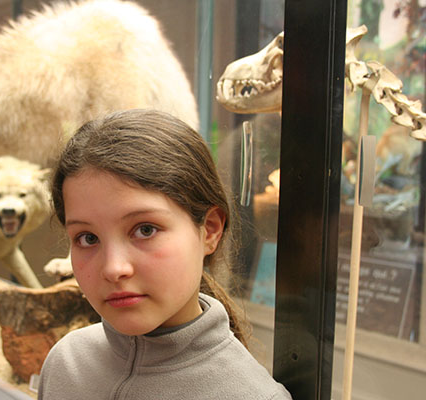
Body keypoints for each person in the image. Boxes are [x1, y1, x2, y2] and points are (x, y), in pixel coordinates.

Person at [37, 109, 292, 399]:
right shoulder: (65, 363)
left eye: (145, 230)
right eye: (88, 238)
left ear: (209, 230)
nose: (113, 268)